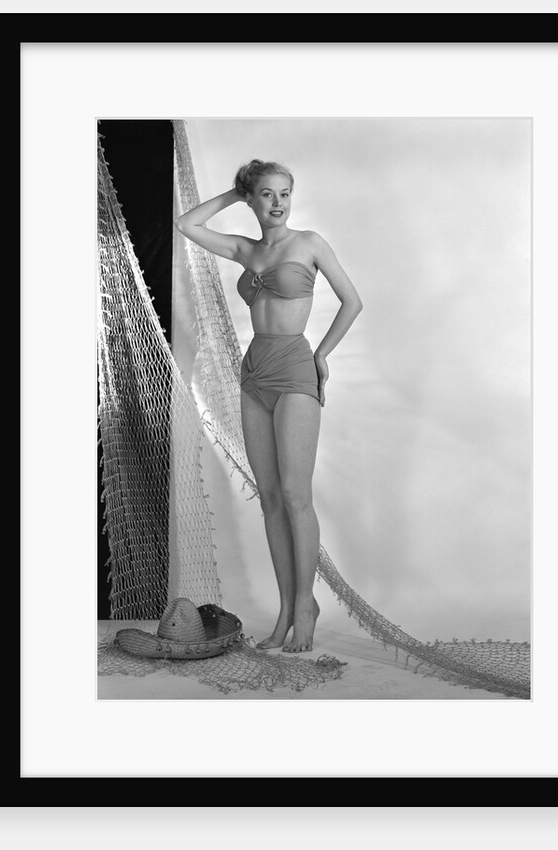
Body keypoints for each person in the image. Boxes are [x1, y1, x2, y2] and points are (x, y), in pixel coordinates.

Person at [174, 158, 362, 652]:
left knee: (297, 496)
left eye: (284, 193)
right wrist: (234, 194)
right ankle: (285, 609)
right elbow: (187, 224)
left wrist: (321, 354)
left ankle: (305, 605)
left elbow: (352, 301)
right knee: (271, 499)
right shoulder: (244, 249)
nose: (277, 203)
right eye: (266, 194)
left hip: (295, 368)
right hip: (253, 372)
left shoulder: (310, 243)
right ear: (252, 199)